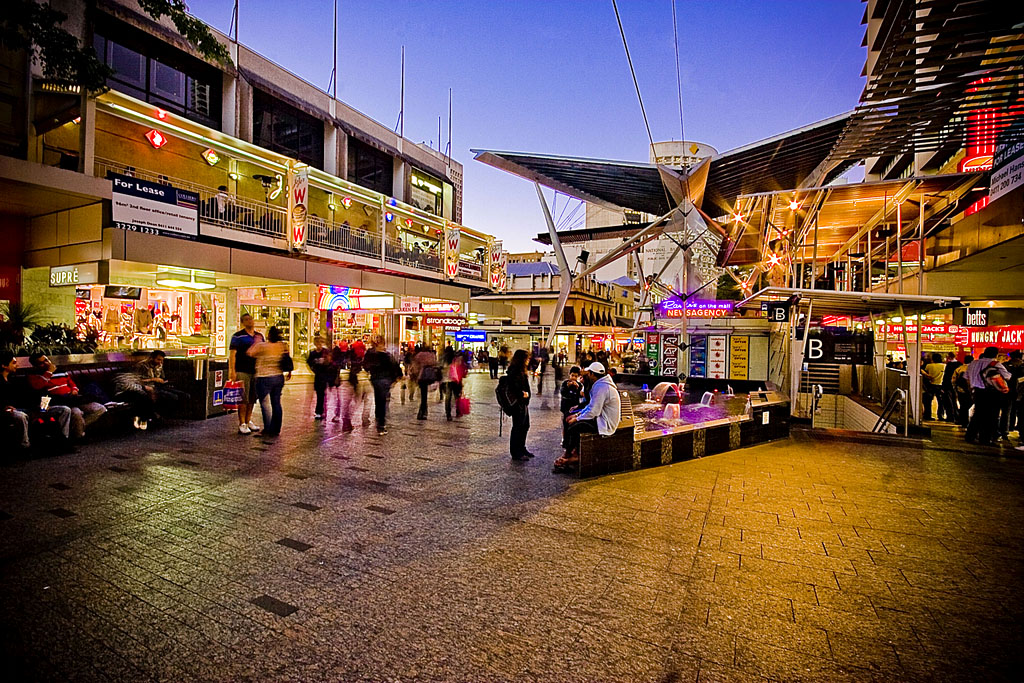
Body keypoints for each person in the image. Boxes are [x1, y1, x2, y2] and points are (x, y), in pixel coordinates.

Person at [554, 362, 622, 473]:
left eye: (589, 373)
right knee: (571, 422)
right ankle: (571, 452)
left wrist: (577, 419)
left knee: (575, 426)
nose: (587, 375)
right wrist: (577, 415)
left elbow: (594, 411)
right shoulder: (601, 384)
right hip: (601, 418)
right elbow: (591, 406)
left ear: (592, 374)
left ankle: (573, 455)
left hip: (605, 423)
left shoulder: (602, 387)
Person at [2, 351, 73, 451]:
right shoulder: (32, 376)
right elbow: (38, 386)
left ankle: (63, 442)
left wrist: (43, 405)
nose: (17, 365)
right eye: (13, 363)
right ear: (4, 366)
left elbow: (37, 394)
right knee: (20, 416)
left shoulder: (13, 379)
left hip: (31, 408)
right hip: (13, 411)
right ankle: (25, 446)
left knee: (64, 410)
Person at [26, 352, 106, 439]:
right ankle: (76, 437)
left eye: (46, 360)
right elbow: (38, 386)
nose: (46, 363)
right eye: (41, 363)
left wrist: (74, 390)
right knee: (76, 413)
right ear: (36, 366)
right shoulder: (35, 376)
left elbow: (72, 384)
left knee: (100, 408)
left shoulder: (61, 371)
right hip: (59, 401)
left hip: (73, 398)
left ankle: (75, 428)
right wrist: (49, 372)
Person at [247, 326, 291, 437]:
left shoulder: (262, 346)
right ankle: (276, 428)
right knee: (276, 403)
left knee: (264, 403)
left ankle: (268, 428)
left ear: (269, 335)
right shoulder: (282, 346)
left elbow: (250, 353)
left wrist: (256, 342)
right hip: (278, 377)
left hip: (264, 377)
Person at [965, 346, 1010, 446]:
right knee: (991, 416)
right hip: (991, 393)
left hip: (977, 391)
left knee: (978, 414)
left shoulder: (973, 363)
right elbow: (1007, 376)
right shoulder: (995, 364)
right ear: (996, 355)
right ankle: (985, 438)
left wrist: (971, 389)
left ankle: (970, 435)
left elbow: (966, 377)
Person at [229, 313, 264, 435]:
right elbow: (232, 354)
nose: (250, 321)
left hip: (256, 371)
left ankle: (249, 420)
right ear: (243, 322)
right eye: (246, 320)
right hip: (242, 370)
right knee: (243, 398)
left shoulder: (259, 336)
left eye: (251, 319)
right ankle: (242, 422)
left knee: (252, 397)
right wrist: (232, 371)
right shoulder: (238, 336)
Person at [364, 337, 399, 435]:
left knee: (379, 400)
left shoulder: (371, 354)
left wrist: (371, 371)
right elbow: (394, 367)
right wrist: (394, 379)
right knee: (382, 401)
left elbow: (366, 366)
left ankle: (379, 420)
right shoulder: (386, 355)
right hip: (384, 380)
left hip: (376, 379)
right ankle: (381, 424)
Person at [137, 350, 189, 416]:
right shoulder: (142, 366)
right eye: (158, 360)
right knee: (173, 397)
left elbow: (162, 376)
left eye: (162, 360)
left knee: (185, 396)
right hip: (148, 387)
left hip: (159, 386)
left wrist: (164, 381)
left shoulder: (159, 365)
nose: (160, 362)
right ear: (152, 358)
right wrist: (153, 379)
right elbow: (137, 380)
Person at [505, 349, 533, 461]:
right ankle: (516, 452)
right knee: (518, 427)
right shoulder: (514, 371)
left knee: (525, 425)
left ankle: (522, 448)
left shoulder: (521, 370)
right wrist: (522, 394)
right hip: (518, 403)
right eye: (527, 358)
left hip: (523, 403)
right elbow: (513, 387)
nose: (528, 360)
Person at [306, 336, 333, 420]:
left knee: (322, 394)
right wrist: (313, 369)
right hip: (318, 376)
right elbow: (309, 363)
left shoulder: (325, 352)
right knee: (320, 394)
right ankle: (320, 411)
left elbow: (329, 363)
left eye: (320, 343)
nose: (319, 345)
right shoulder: (313, 354)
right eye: (317, 343)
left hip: (324, 375)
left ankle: (320, 411)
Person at [558, 366, 584, 450]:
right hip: (566, 407)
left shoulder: (579, 385)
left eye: (576, 376)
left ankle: (570, 442)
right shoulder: (565, 383)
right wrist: (568, 387)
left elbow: (580, 395)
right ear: (569, 375)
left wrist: (577, 388)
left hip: (574, 407)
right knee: (565, 424)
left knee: (572, 424)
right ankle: (565, 440)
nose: (573, 378)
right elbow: (563, 393)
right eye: (572, 375)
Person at [412, 345, 438, 420]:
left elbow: (415, 366)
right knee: (424, 395)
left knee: (423, 395)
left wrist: (415, 375)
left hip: (422, 376)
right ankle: (424, 411)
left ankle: (422, 412)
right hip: (429, 376)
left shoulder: (419, 355)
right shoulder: (432, 355)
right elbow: (435, 364)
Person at [1001, 350, 1023, 437]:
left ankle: (1005, 429)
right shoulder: (1022, 366)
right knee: (1020, 412)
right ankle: (1018, 428)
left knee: (1006, 411)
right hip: (1020, 392)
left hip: (1007, 391)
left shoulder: (1005, 366)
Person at [921, 352, 945, 421]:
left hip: (930, 385)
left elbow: (925, 373)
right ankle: (940, 416)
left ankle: (928, 415)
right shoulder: (944, 366)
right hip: (940, 385)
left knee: (928, 402)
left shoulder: (929, 366)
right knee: (940, 402)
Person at [445, 350, 468, 421]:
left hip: (449, 380)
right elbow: (464, 372)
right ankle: (458, 412)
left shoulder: (449, 361)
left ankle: (448, 414)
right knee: (457, 396)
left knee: (448, 397)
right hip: (457, 381)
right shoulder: (461, 361)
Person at [940, 352, 962, 423]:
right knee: (955, 402)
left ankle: (951, 417)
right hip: (957, 385)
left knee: (949, 402)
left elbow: (946, 377)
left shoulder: (949, 365)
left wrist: (943, 386)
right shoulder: (959, 364)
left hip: (948, 386)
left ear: (949, 357)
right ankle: (957, 416)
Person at [952, 354, 973, 428]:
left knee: (963, 406)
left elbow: (953, 380)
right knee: (971, 405)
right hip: (972, 390)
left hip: (961, 390)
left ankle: (963, 421)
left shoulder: (959, 369)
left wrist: (955, 388)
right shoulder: (973, 368)